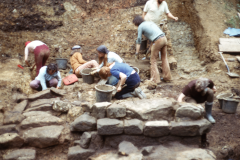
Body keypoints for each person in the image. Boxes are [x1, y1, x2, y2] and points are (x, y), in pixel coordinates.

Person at [133, 15, 172, 83]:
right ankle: (167, 78)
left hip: (158, 41)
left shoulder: (140, 26)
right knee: (164, 58)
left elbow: (139, 41)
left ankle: (155, 80)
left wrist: (137, 53)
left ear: (136, 23)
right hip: (164, 38)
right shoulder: (150, 23)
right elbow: (152, 38)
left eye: (135, 24)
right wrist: (149, 49)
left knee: (153, 61)